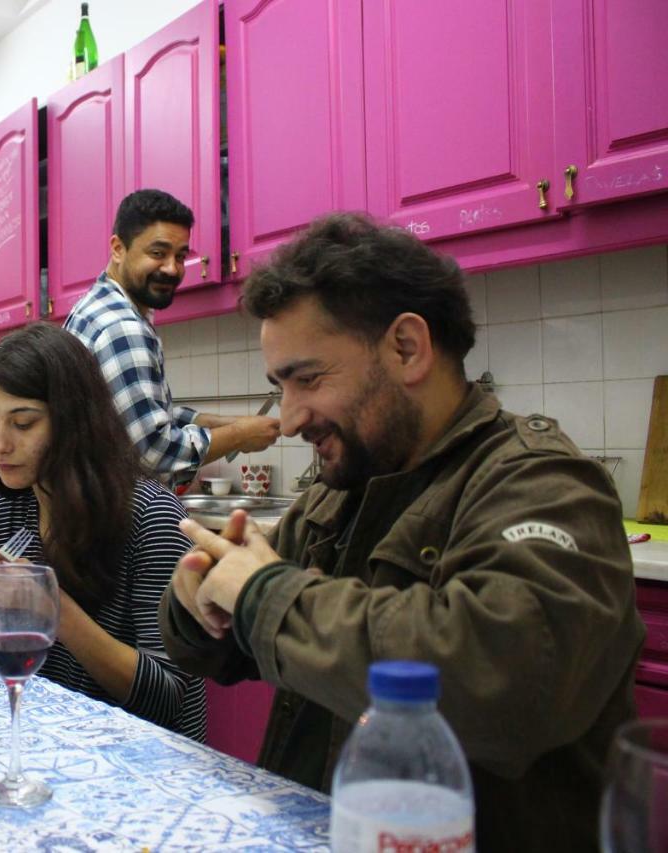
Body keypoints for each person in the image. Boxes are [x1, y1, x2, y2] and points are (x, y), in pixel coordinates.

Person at [158, 213, 644, 848]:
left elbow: (501, 680)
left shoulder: (544, 483)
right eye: (280, 386)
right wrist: (199, 603)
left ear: (408, 348)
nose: (291, 418)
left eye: (308, 379)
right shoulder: (343, 488)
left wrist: (260, 594)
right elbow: (229, 644)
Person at [0, 323, 206, 739]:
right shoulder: (8, 510)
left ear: (75, 423)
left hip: (144, 754)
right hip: (53, 738)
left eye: (23, 424)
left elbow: (168, 698)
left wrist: (51, 606)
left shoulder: (152, 517)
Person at [64, 188, 280, 486]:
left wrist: (218, 423)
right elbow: (153, 452)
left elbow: (129, 416)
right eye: (158, 253)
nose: (172, 268)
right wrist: (239, 436)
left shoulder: (95, 307)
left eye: (180, 256)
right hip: (116, 511)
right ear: (118, 248)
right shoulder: (122, 326)